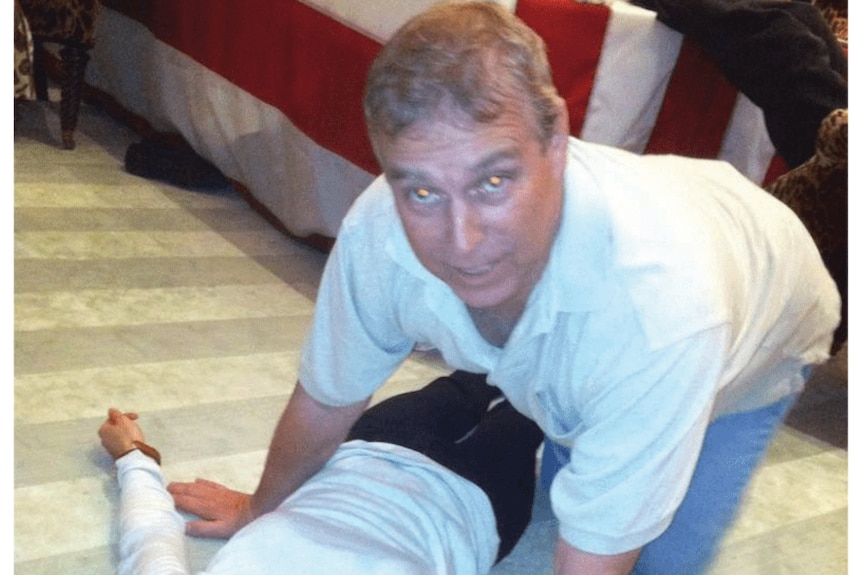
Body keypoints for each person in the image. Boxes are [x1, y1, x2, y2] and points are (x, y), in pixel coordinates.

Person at [170, 2, 842, 574]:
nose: (462, 244)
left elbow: (596, 551)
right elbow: (326, 402)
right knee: (572, 469)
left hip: (765, 315)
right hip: (660, 271)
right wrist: (260, 510)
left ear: (557, 139)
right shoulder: (380, 230)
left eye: (493, 181)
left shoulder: (656, 315)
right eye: (423, 192)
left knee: (654, 552)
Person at [99, 371, 544, 574]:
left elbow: (149, 537)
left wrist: (132, 456)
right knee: (538, 398)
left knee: (469, 381)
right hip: (474, 505)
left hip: (368, 455)